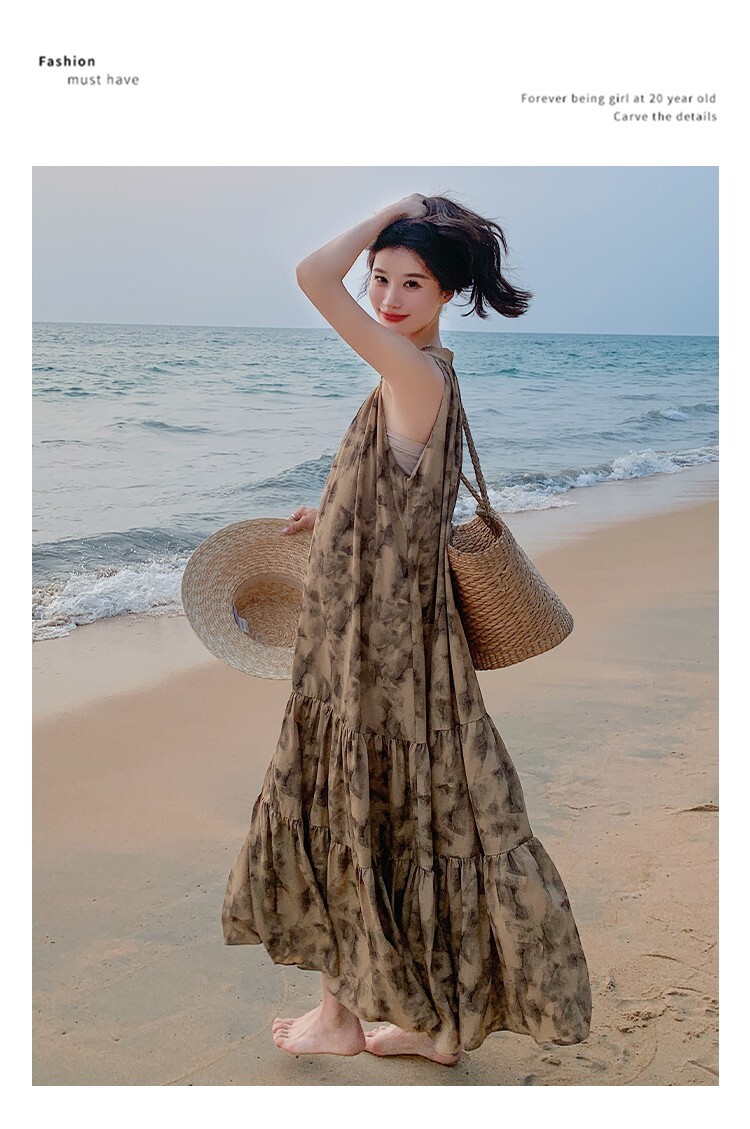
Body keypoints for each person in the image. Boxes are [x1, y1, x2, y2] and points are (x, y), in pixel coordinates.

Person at [222, 194, 592, 1065]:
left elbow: (312, 275)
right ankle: (429, 1024)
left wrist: (394, 207)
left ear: (448, 292)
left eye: (411, 282)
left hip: (373, 647)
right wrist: (333, 509)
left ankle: (341, 1019)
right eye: (380, 278)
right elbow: (407, 495)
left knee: (352, 809)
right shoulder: (424, 375)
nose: (387, 297)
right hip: (394, 636)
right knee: (403, 817)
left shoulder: (414, 373)